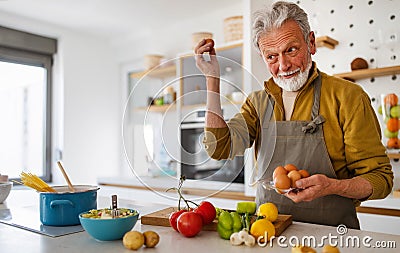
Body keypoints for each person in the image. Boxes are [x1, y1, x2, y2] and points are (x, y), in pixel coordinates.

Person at [194, 1, 393, 229]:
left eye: (291, 50)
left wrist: (332, 186)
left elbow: (381, 179)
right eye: (271, 57)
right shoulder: (258, 102)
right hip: (268, 234)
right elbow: (219, 148)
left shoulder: (348, 97)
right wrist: (212, 78)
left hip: (333, 237)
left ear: (311, 43)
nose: (283, 65)